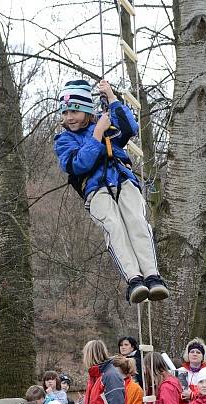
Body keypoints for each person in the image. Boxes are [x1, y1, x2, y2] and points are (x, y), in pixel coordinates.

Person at [54, 78, 169, 305]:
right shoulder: (64, 139)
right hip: (96, 190)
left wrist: (113, 98)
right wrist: (97, 134)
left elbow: (130, 128)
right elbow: (78, 164)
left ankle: (152, 276)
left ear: (87, 110)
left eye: (75, 112)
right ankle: (134, 279)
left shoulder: (107, 123)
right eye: (66, 113)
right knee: (114, 227)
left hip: (123, 180)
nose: (69, 117)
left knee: (136, 221)